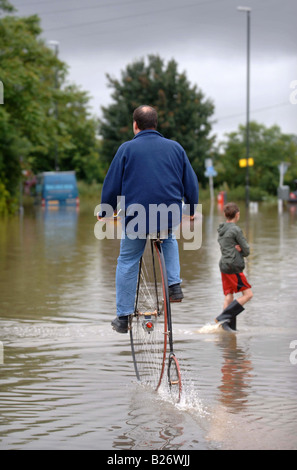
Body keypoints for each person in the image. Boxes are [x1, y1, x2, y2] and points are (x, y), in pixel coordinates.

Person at [98, 105, 199, 333]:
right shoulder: (176, 148)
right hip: (168, 213)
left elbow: (112, 182)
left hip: (136, 216)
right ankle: (174, 286)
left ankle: (123, 318)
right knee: (168, 238)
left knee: (128, 260)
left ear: (135, 125)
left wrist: (106, 210)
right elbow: (191, 181)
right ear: (156, 124)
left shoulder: (126, 149)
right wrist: (191, 207)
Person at [215, 202, 253, 332]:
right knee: (248, 294)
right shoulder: (235, 230)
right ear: (237, 215)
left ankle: (227, 327)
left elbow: (228, 245)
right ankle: (223, 317)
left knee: (229, 296)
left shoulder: (221, 229)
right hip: (233, 266)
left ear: (225, 215)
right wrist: (240, 250)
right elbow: (247, 251)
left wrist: (236, 248)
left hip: (224, 265)